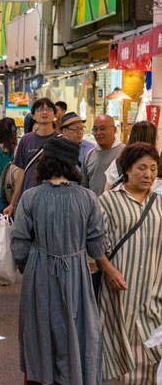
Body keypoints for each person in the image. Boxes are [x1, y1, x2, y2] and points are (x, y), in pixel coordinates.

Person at [10, 136, 106, 385]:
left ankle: (41, 376)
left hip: (38, 272)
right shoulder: (88, 199)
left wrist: (27, 266)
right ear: (72, 165)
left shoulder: (31, 197)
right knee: (75, 329)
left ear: (45, 162)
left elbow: (19, 243)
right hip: (76, 272)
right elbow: (97, 245)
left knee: (39, 327)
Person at [96, 143, 162, 383]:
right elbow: (95, 244)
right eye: (142, 168)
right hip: (117, 292)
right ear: (127, 168)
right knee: (114, 355)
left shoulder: (160, 202)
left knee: (149, 355)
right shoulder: (108, 201)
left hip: (152, 294)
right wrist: (108, 268)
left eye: (153, 169)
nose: (148, 174)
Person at [3, 98, 59, 217]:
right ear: (33, 116)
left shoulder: (61, 141)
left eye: (48, 109)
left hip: (53, 201)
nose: (44, 112)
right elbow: (21, 172)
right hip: (27, 200)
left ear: (54, 114)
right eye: (40, 109)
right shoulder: (25, 140)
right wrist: (13, 203)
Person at [104, 120, 157, 191]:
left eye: (153, 169)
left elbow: (107, 191)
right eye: (156, 137)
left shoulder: (119, 163)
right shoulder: (157, 164)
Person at [81, 114, 124, 196]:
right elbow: (84, 187)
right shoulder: (89, 156)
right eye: (95, 129)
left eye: (102, 129)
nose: (98, 133)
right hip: (93, 206)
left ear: (114, 130)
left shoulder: (125, 153)